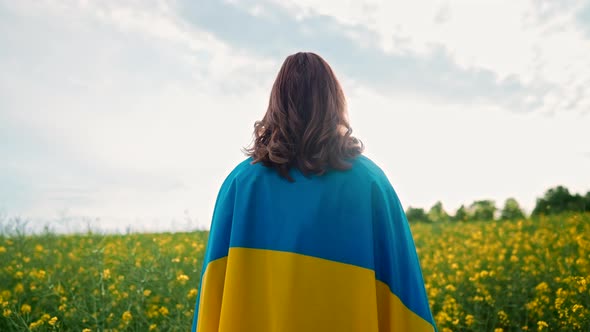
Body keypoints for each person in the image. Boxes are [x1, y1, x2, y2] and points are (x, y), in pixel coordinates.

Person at [191, 52, 436, 332]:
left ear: (277, 103)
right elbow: (404, 300)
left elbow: (214, 300)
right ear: (335, 102)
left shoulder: (240, 184)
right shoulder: (370, 183)